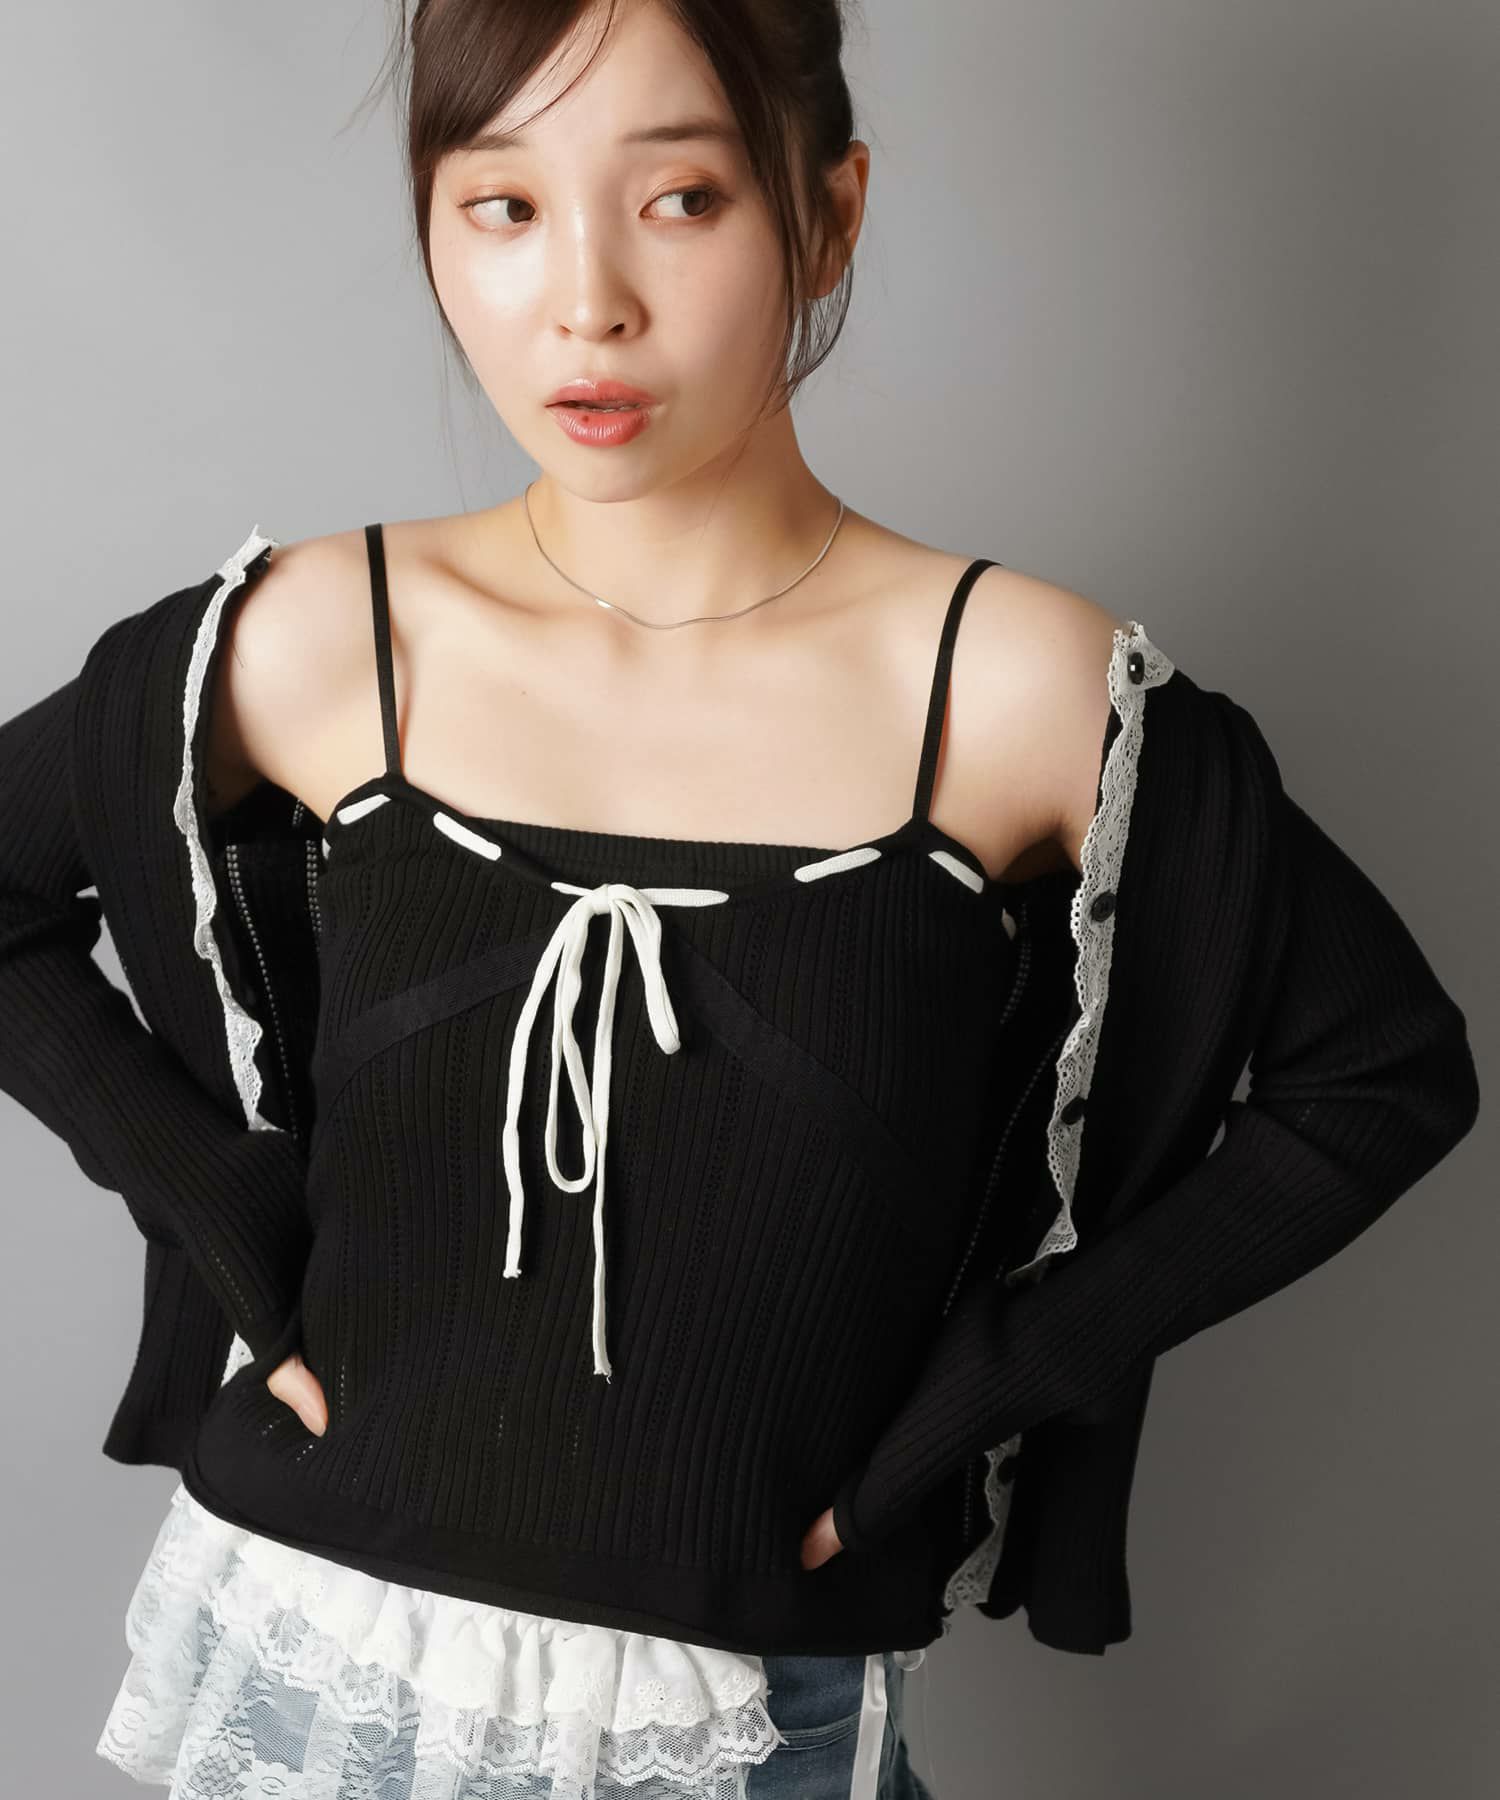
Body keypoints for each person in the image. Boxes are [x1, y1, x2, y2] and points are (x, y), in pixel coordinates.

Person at [0, 2, 1477, 1798]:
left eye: (680, 200)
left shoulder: (1014, 687)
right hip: (317, 1667)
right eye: (502, 206)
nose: (587, 304)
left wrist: (1005, 1372)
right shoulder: (323, 638)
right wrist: (215, 1200)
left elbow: (1379, 1075)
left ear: (828, 214)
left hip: (745, 1720)